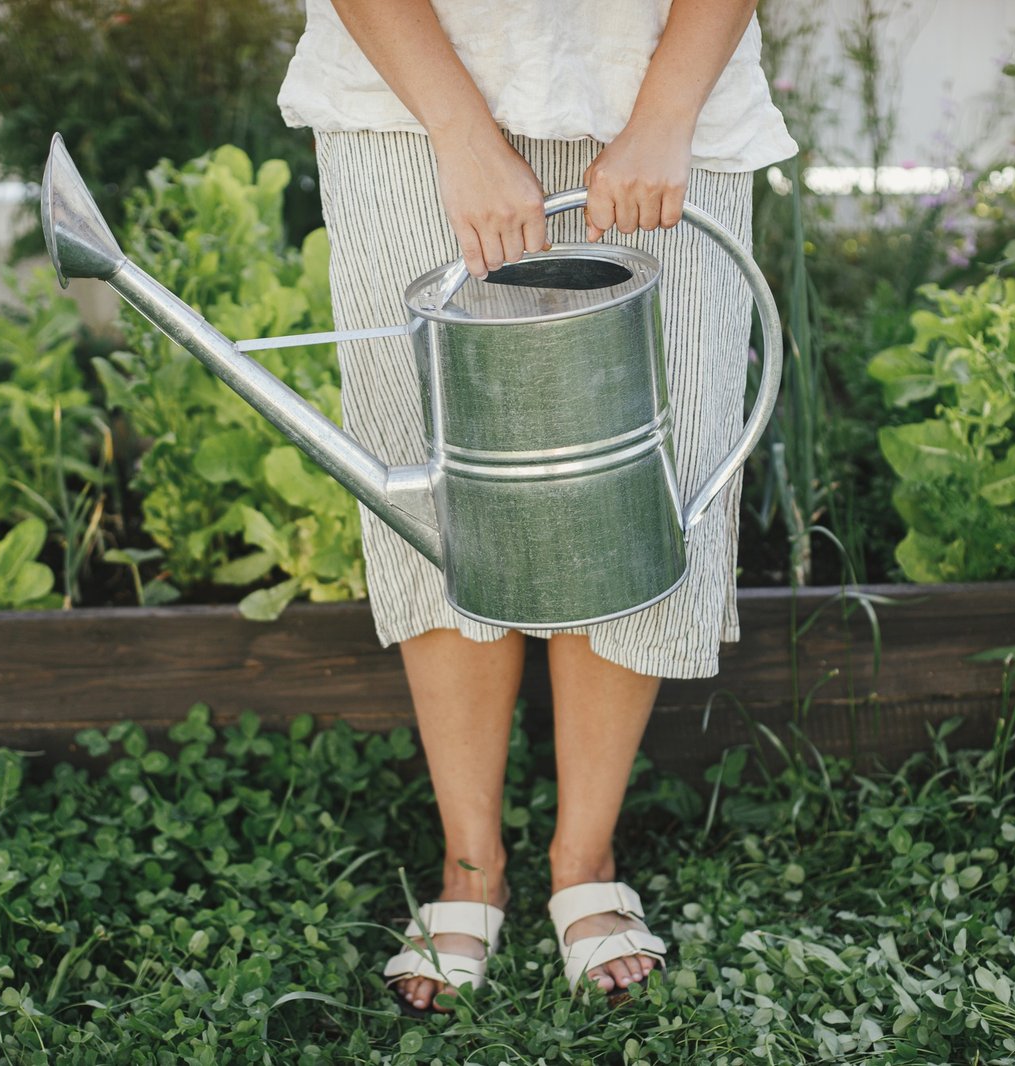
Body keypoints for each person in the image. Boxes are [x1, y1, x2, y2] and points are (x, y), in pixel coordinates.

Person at [276, 0, 797, 1011]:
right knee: (437, 489)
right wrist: (464, 133)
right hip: (412, 103)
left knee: (640, 486)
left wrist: (661, 114)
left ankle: (582, 857)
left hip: (663, 103)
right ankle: (470, 864)